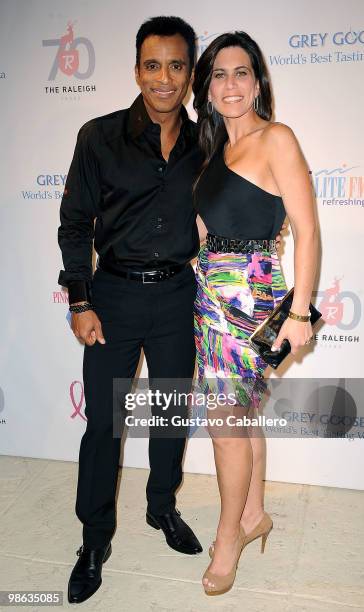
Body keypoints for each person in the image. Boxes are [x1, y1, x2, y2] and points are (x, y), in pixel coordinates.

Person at [58, 17, 284, 603]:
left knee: (168, 416)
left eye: (177, 66)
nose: (164, 77)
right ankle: (94, 536)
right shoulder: (97, 136)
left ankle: (162, 509)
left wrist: (266, 236)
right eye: (153, 65)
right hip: (112, 295)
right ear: (137, 70)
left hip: (182, 296)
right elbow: (75, 225)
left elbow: (236, 204)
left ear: (190, 77)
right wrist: (79, 300)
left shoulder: (205, 145)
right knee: (105, 424)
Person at [192, 31, 319, 595]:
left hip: (252, 299)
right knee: (240, 420)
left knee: (225, 429)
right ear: (208, 87)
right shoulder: (214, 154)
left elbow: (309, 230)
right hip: (209, 296)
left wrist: (300, 313)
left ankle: (227, 538)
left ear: (259, 81)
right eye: (219, 74)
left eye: (241, 72)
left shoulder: (277, 140)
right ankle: (254, 515)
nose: (231, 84)